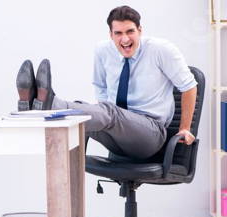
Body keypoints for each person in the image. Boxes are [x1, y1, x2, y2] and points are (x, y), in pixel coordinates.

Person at [15, 5, 197, 160]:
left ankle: (51, 105)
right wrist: (102, 115)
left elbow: (188, 86)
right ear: (111, 34)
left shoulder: (161, 50)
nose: (125, 39)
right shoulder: (103, 51)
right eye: (118, 33)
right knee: (79, 114)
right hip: (116, 136)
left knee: (109, 112)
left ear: (140, 30)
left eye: (130, 31)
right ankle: (34, 107)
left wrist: (185, 128)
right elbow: (100, 87)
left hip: (151, 136)